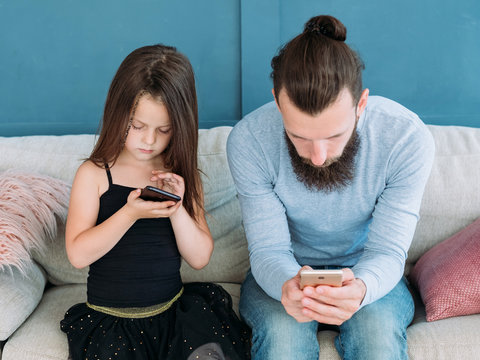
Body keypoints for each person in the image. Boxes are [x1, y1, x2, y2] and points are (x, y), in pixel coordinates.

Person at [227, 15, 435, 360]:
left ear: (361, 104)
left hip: (367, 268)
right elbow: (268, 250)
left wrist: (363, 287)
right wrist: (289, 284)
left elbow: (387, 252)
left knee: (377, 339)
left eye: (335, 136)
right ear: (278, 104)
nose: (318, 157)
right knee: (283, 343)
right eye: (299, 137)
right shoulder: (249, 141)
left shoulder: (405, 138)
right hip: (284, 271)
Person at [60, 44, 250, 360]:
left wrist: (176, 209)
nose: (149, 140)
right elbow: (78, 255)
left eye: (164, 130)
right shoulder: (94, 173)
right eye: (137, 126)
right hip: (112, 321)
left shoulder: (179, 173)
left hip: (174, 315)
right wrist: (130, 213)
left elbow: (200, 257)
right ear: (117, 113)